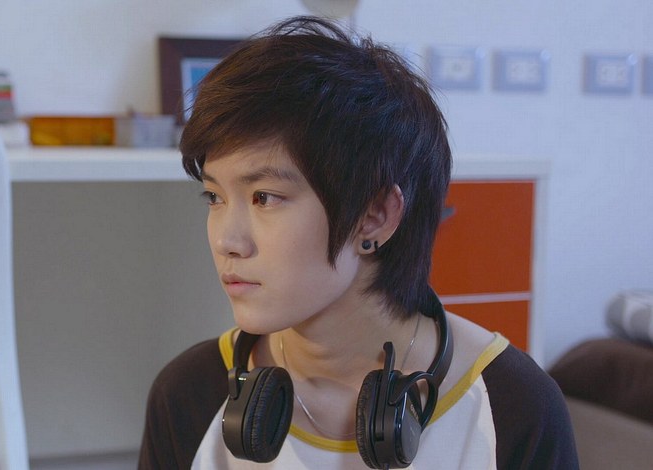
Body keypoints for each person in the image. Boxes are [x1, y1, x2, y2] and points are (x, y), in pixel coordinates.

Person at [139, 16, 578, 470]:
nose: (226, 241)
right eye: (214, 196)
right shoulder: (190, 393)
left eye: (264, 197)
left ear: (375, 216)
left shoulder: (513, 406)